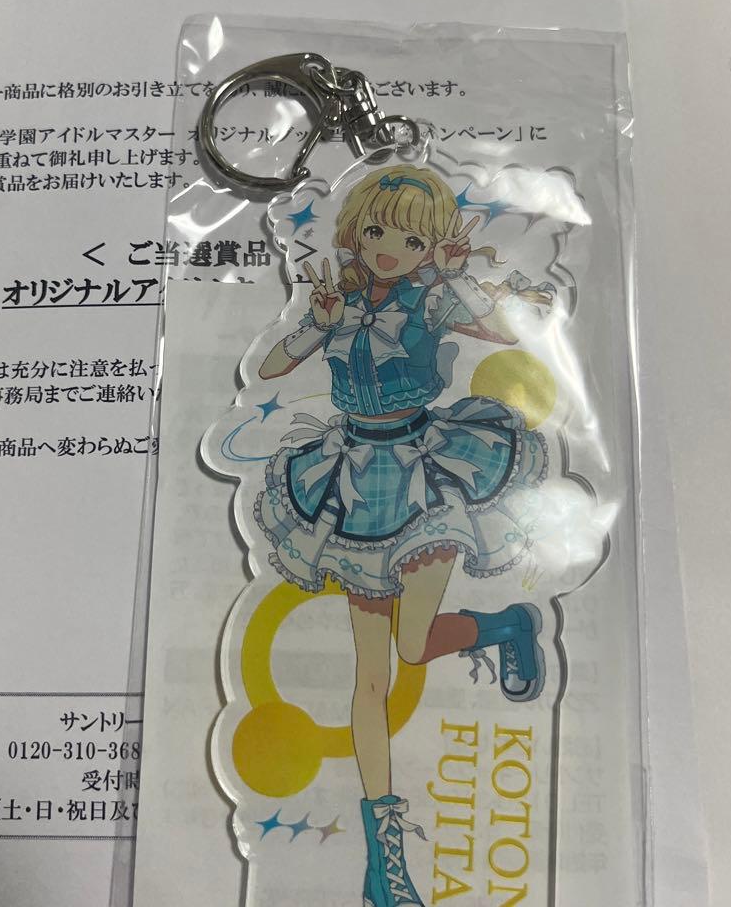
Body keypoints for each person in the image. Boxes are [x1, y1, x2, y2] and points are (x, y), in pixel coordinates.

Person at [254, 165, 553, 907]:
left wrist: (460, 281)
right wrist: (316, 322)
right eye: (378, 230)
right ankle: (384, 862)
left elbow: (509, 329)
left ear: (432, 247)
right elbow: (268, 365)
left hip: (425, 473)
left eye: (412, 240)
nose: (390, 247)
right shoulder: (339, 300)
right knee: (370, 677)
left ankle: (506, 625)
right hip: (352, 481)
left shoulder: (433, 296)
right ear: (356, 228)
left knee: (412, 647)